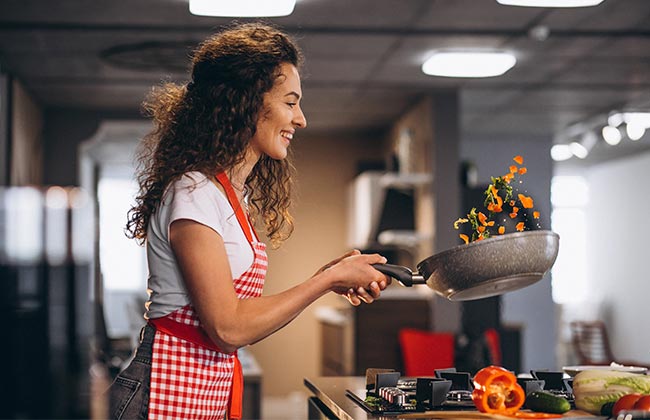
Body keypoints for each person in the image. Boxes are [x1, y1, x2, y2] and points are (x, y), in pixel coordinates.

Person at [107, 22, 390, 420]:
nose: (301, 119)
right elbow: (228, 329)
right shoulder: (194, 192)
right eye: (290, 102)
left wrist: (335, 275)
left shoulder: (226, 193)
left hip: (200, 391)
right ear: (247, 103)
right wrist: (324, 281)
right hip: (160, 394)